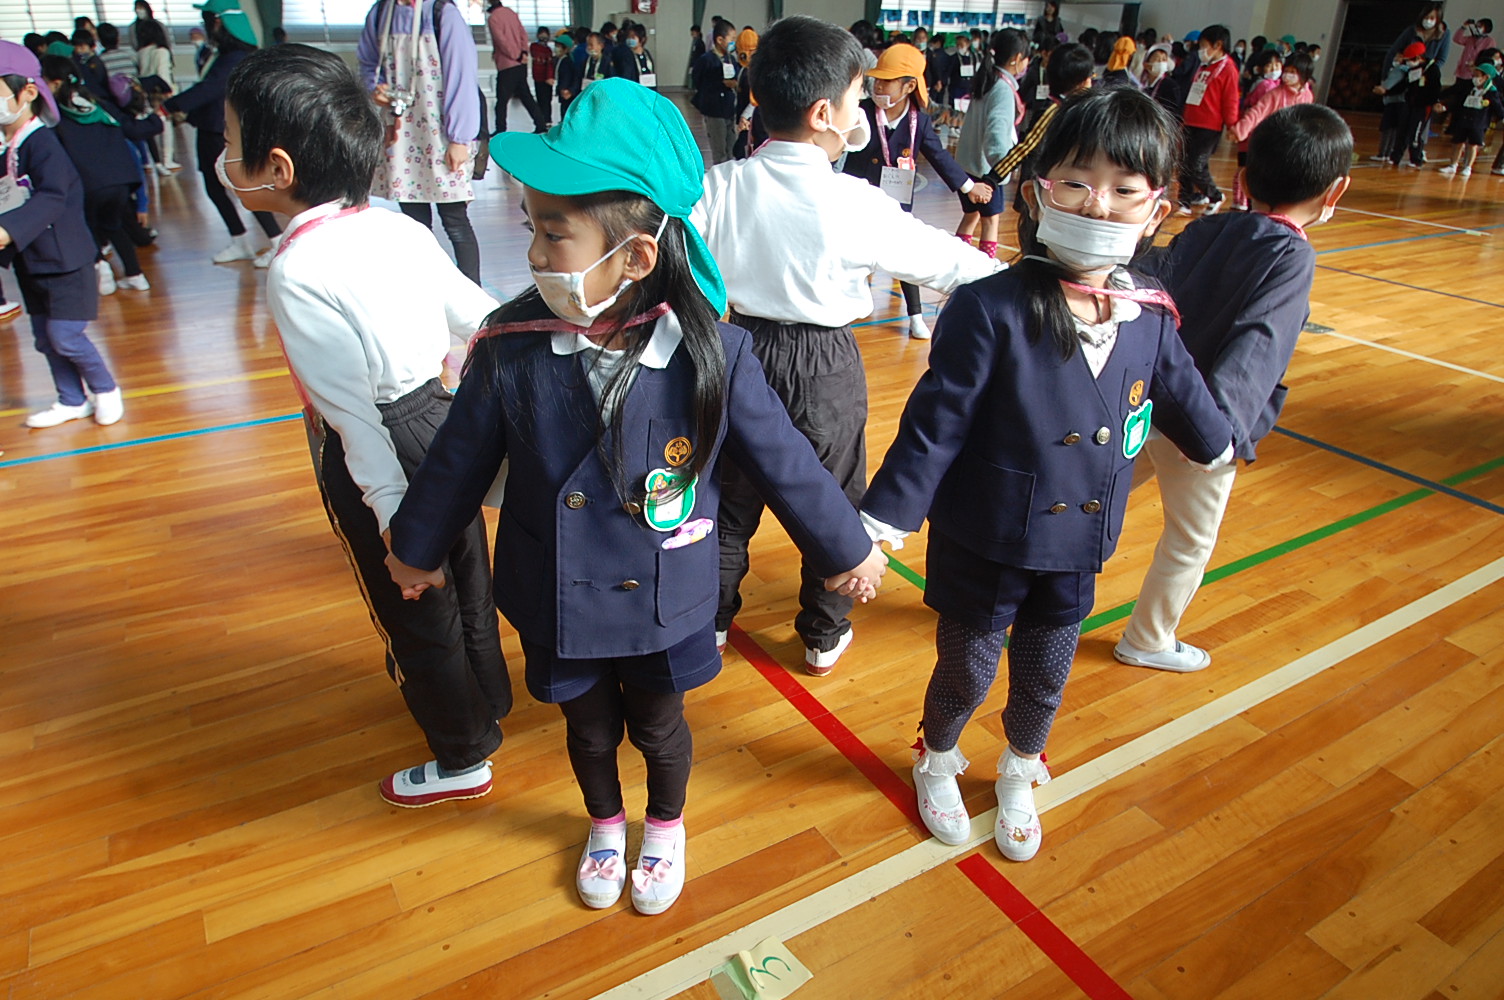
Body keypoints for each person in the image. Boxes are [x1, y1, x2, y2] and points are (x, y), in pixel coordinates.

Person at [384, 78, 885, 916]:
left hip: (663, 598)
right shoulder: (510, 347)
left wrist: (848, 549)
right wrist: (415, 549)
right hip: (557, 596)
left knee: (657, 725)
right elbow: (457, 461)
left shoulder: (713, 351)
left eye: (556, 233)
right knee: (586, 728)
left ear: (637, 255)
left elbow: (786, 460)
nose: (537, 252)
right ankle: (606, 821)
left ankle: (665, 824)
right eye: (532, 228)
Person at [861, 88, 1233, 858]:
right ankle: (937, 755)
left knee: (1044, 672)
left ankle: (1022, 766)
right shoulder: (988, 307)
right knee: (965, 668)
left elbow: (1184, 394)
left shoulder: (1149, 312)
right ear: (1038, 191)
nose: (1098, 205)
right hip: (986, 535)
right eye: (1076, 182)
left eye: (1125, 190)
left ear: (1156, 210)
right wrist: (883, 523)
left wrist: (1219, 445)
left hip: (1078, 542)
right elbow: (936, 424)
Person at [220, 43, 513, 806]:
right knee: (468, 580)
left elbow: (353, 419)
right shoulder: (392, 223)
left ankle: (461, 755)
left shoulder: (297, 269)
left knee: (413, 600)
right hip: (447, 423)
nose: (223, 158)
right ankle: (489, 699)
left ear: (276, 169)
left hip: (379, 446)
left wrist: (394, 526)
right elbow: (480, 318)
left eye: (229, 145)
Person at [693, 15, 1000, 675]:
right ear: (826, 113)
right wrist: (1032, 281)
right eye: (859, 100)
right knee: (833, 498)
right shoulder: (853, 201)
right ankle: (822, 632)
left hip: (736, 353)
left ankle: (710, 622)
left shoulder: (718, 186)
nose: (863, 113)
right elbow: (952, 265)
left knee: (727, 499)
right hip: (825, 364)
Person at [1115, 104, 1351, 673]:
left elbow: (1151, 288)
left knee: (1105, 491)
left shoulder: (1209, 226)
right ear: (1335, 192)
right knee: (1189, 540)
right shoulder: (1293, 255)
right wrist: (1219, 434)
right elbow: (1258, 346)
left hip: (1149, 400)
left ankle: (1028, 583)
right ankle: (1148, 638)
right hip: (1201, 424)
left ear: (1243, 180)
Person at [0, 42, 125, 429]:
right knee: (43, 337)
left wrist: (7, 230)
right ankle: (71, 398)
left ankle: (105, 388)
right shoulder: (9, 147)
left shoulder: (45, 144)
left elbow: (54, 197)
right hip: (31, 259)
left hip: (66, 260)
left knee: (65, 335)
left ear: (29, 93)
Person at [842, 43, 994, 340]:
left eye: (887, 81)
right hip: (857, 199)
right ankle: (848, 307)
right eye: (877, 80)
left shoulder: (919, 122)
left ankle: (914, 315)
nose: (879, 86)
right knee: (851, 252)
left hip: (897, 200)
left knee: (903, 254)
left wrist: (968, 186)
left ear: (909, 85)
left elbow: (940, 158)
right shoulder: (861, 113)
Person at [359, 0, 484, 285]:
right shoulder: (381, 12)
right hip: (402, 133)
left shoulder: (442, 13)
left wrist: (460, 137)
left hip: (440, 131)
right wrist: (373, 87)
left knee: (455, 221)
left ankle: (472, 292)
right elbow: (368, 62)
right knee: (414, 225)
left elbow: (461, 77)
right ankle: (427, 288)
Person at [164, 0, 283, 265]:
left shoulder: (236, 58)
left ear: (218, 22)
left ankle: (277, 242)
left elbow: (211, 89)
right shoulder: (220, 54)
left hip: (226, 133)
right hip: (210, 129)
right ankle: (240, 240)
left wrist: (170, 105)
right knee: (213, 187)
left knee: (245, 184)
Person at [39, 55, 159, 294]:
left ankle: (102, 270)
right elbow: (129, 135)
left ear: (52, 83)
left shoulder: (53, 116)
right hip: (120, 180)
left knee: (87, 226)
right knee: (115, 225)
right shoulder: (99, 105)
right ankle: (136, 275)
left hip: (87, 183)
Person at [955, 29, 1028, 259]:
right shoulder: (1003, 89)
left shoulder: (986, 79)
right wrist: (1002, 171)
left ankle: (957, 261)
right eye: (1026, 58)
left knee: (971, 216)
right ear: (1016, 58)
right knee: (990, 222)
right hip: (988, 170)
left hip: (967, 165)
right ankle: (985, 270)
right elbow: (996, 137)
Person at [1229, 53, 1314, 208]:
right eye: (1287, 70)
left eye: (1293, 72)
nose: (1288, 75)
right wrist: (1239, 131)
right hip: (1269, 145)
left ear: (1304, 75)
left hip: (1289, 147)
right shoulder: (1275, 94)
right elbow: (1257, 113)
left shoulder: (1307, 96)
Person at [1178, 24, 1239, 215]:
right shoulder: (1204, 66)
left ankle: (1215, 195)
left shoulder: (1228, 69)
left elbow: (1230, 99)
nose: (1201, 50)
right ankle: (1185, 201)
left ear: (1218, 45)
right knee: (1184, 162)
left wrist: (1232, 124)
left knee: (1195, 164)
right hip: (1191, 121)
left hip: (1209, 125)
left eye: (1204, 45)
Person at [485, 0, 547, 135]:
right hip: (521, 63)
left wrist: (515, 55)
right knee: (526, 96)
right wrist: (523, 52)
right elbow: (522, 33)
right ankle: (541, 124)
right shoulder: (511, 13)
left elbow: (501, 40)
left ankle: (500, 129)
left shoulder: (493, 18)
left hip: (507, 64)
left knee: (502, 100)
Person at [1438, 63, 1502, 176]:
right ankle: (1453, 165)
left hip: (1478, 122)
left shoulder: (1491, 92)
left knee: (1473, 144)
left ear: (1486, 77)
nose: (1475, 78)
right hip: (1464, 119)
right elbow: (1458, 101)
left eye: (1477, 75)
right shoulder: (1469, 88)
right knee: (1457, 142)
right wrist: (1445, 106)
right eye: (1474, 75)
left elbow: (1498, 107)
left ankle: (1468, 167)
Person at [691, 21, 739, 165]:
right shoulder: (706, 60)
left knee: (731, 149)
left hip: (730, 109)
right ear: (719, 40)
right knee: (720, 151)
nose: (733, 43)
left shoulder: (731, 59)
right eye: (731, 39)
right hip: (714, 109)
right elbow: (697, 80)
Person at [134, 17, 177, 174]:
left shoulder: (140, 52)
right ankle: (167, 159)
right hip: (160, 90)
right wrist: (170, 92)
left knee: (151, 125)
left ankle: (156, 160)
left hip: (145, 91)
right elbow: (163, 73)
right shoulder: (162, 51)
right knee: (166, 126)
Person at [1388, 41, 1441, 167]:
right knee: (1402, 130)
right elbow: (1404, 84)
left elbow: (1436, 89)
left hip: (1423, 106)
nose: (1408, 63)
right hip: (1410, 103)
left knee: (1415, 132)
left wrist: (1435, 102)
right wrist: (1387, 92)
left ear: (1418, 58)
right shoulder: (1413, 69)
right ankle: (1396, 156)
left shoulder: (1433, 70)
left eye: (1410, 59)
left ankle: (1416, 158)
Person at [1142, 44, 1183, 120]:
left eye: (1164, 60)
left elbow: (1174, 115)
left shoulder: (1170, 86)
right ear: (1146, 65)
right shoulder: (1142, 87)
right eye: (1157, 59)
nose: (1161, 62)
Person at [613, 24, 657, 89]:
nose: (630, 40)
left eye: (633, 37)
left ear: (642, 39)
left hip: (648, 88)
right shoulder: (626, 55)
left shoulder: (646, 53)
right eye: (628, 37)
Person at [528, 26, 554, 127]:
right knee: (540, 99)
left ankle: (548, 120)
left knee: (547, 100)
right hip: (538, 77)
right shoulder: (534, 46)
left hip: (547, 79)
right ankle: (541, 120)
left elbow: (550, 65)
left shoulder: (549, 50)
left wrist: (550, 77)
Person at [553, 34, 579, 116]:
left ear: (566, 48)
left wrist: (569, 90)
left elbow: (572, 77)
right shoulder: (560, 60)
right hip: (563, 92)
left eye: (558, 46)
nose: (556, 48)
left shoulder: (568, 61)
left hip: (567, 92)